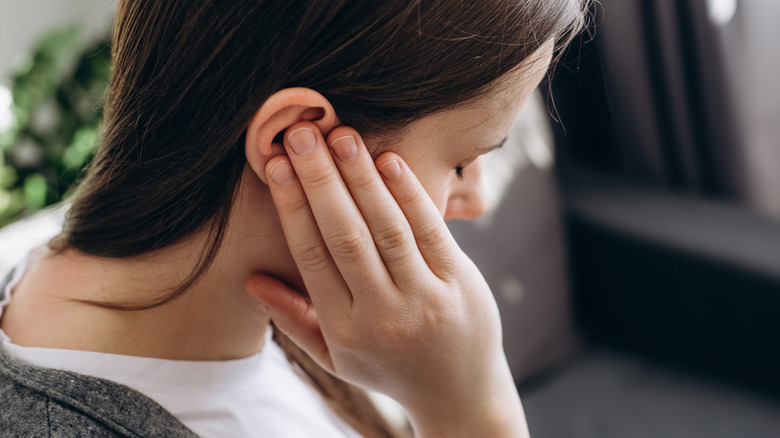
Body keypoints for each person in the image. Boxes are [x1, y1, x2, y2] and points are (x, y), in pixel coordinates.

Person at [0, 0, 586, 437]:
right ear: (295, 140)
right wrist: (469, 408)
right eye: (462, 162)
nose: (475, 200)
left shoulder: (293, 310)